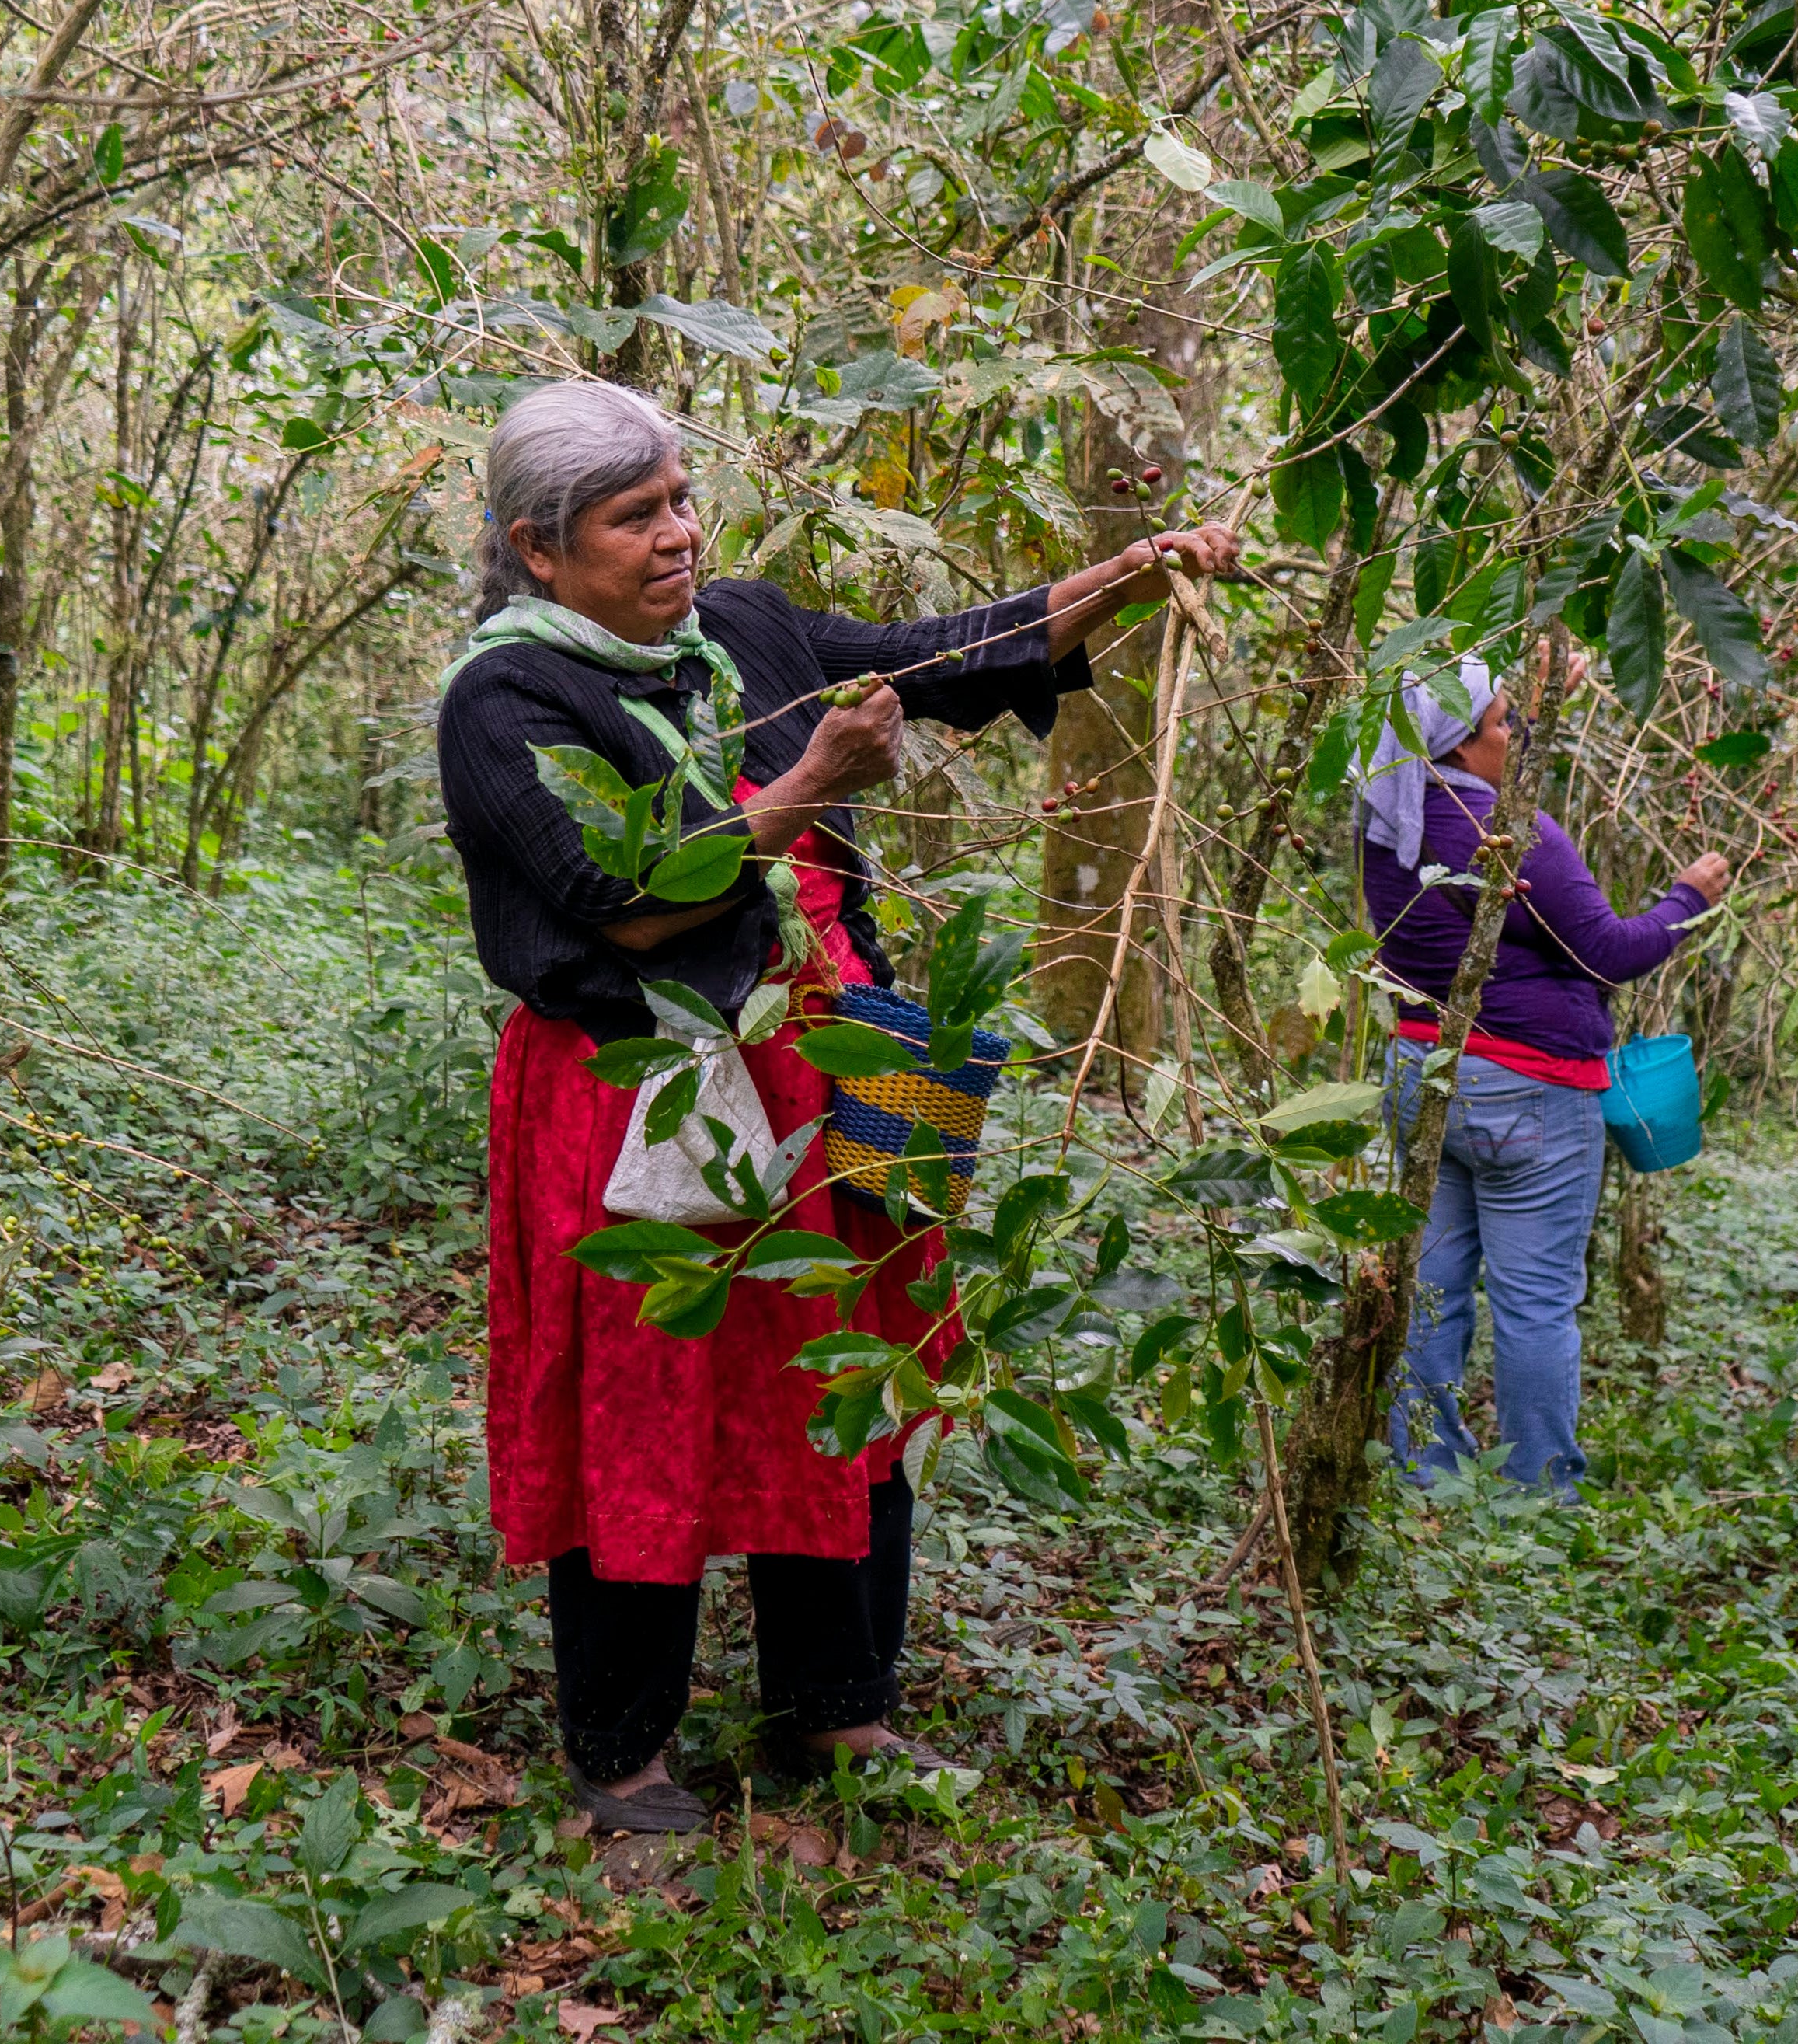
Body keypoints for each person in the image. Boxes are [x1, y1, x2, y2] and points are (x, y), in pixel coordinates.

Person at [437, 378, 1237, 1830]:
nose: (678, 535)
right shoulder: (508, 698)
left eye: (681, 499)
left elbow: (949, 652)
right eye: (636, 517)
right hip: (646, 1086)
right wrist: (807, 782)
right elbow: (615, 904)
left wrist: (1131, 576)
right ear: (537, 547)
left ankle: (838, 1710)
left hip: (851, 1046)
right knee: (651, 1395)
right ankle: (623, 1751)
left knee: (863, 1369)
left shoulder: (745, 625)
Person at [1359, 654, 1729, 1496]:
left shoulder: (1388, 819)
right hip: (1529, 1092)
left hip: (1426, 1076)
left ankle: (1424, 1476)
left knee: (1435, 1289)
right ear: (1458, 744)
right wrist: (1687, 899)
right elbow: (1608, 950)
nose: (1515, 736)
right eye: (1500, 724)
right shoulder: (1510, 830)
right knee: (1534, 1305)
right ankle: (1541, 1499)